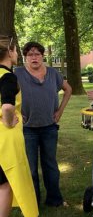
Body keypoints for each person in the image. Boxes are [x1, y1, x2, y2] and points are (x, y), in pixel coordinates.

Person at [15, 42, 72, 207]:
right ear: (25, 57)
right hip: (27, 130)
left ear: (42, 56)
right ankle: (33, 202)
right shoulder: (17, 73)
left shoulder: (53, 73)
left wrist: (60, 111)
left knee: (51, 165)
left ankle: (55, 199)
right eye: (30, 54)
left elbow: (68, 90)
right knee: (31, 168)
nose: (34, 57)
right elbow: (6, 94)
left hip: (49, 127)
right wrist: (16, 113)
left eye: (37, 54)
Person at [0, 35, 38, 217]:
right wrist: (8, 120)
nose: (17, 55)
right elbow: (6, 106)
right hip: (4, 142)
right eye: (15, 51)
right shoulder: (7, 76)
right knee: (5, 185)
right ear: (9, 52)